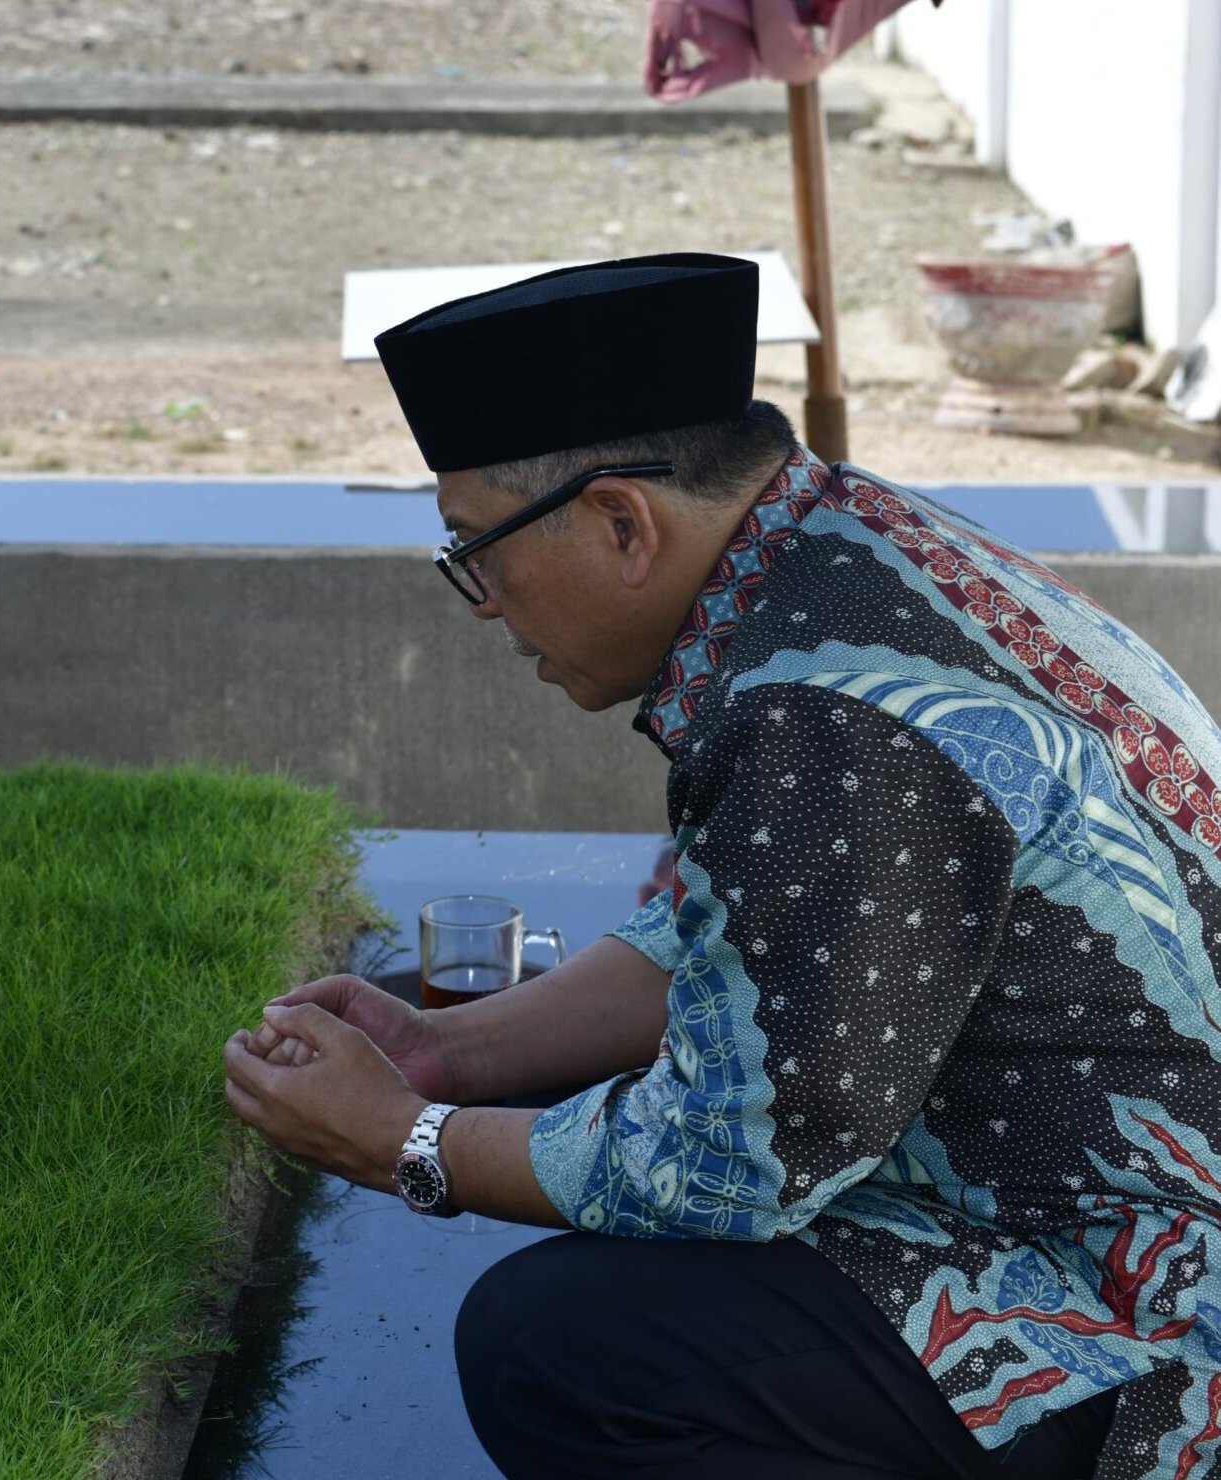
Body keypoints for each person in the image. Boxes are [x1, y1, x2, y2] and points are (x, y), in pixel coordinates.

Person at [223, 252, 1221, 1480]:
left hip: (1148, 1310)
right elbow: (759, 930)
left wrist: (408, 1141)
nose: (477, 601)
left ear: (621, 523)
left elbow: (735, 1158)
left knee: (561, 1348)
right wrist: (450, 1054)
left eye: (474, 547)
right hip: (1084, 1187)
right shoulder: (844, 545)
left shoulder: (817, 716)